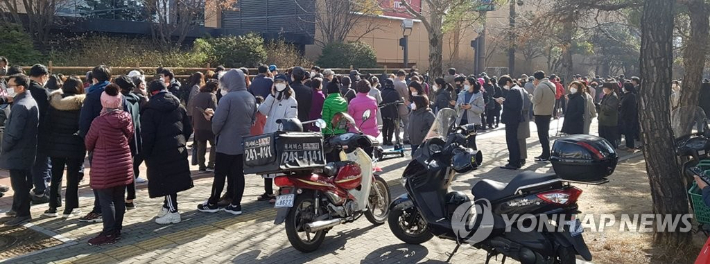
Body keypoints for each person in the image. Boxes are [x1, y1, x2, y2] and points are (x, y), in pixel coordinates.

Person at [197, 69, 255, 215]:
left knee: (220, 173)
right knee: (238, 174)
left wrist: (212, 118)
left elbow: (217, 124)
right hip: (243, 142)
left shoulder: (228, 99)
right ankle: (236, 204)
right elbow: (252, 120)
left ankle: (212, 203)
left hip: (226, 144)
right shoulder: (250, 97)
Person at [84, 84, 134, 245]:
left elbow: (88, 143)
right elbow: (130, 137)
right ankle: (117, 230)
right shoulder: (126, 118)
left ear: (104, 102)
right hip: (123, 163)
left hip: (105, 165)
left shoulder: (99, 122)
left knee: (106, 201)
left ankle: (108, 233)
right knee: (119, 198)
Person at [141, 80, 194, 224]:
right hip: (177, 149)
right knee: (171, 180)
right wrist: (180, 141)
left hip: (159, 152)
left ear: (151, 92)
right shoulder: (178, 105)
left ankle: (173, 211)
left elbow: (147, 136)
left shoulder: (149, 110)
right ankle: (167, 206)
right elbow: (188, 128)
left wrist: (145, 153)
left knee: (167, 181)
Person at [43, 77, 87, 217]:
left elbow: (47, 124)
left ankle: (53, 207)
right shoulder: (81, 103)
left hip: (56, 142)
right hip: (75, 143)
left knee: (56, 176)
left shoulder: (54, 102)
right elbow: (83, 125)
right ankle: (70, 208)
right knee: (73, 177)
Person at [1, 74, 39, 226]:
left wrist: (6, 146)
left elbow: (14, 133)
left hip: (18, 150)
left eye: (10, 86)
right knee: (22, 182)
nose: (7, 90)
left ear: (20, 88)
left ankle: (23, 213)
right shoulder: (27, 101)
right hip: (25, 150)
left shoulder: (21, 105)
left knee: (19, 184)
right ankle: (19, 210)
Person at [257, 74, 297, 202]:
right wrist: (271, 96)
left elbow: (292, 119)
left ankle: (282, 190)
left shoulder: (291, 101)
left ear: (286, 83)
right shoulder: (273, 98)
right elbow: (262, 111)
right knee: (268, 164)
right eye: (276, 82)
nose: (278, 84)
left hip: (281, 136)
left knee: (280, 166)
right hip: (268, 133)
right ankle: (268, 192)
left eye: (281, 82)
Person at [112, 76, 144, 210]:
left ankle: (120, 201)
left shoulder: (122, 101)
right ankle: (130, 199)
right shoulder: (136, 99)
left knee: (121, 171)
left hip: (124, 139)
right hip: (135, 138)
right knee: (129, 169)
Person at [28, 65, 52, 205]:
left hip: (26, 132)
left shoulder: (23, 88)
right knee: (41, 163)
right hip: (41, 132)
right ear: (43, 76)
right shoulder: (42, 91)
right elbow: (47, 114)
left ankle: (30, 189)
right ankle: (40, 191)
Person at [497, 75, 524, 170]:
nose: (504, 87)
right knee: (513, 140)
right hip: (515, 118)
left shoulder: (513, 91)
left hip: (511, 119)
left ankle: (514, 162)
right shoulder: (518, 89)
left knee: (511, 141)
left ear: (508, 82)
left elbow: (512, 105)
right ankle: (515, 160)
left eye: (504, 85)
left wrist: (502, 102)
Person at [191, 81, 218, 172]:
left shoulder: (197, 96)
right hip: (209, 124)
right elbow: (214, 109)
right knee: (214, 144)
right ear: (214, 88)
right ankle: (211, 164)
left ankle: (201, 166)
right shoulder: (211, 96)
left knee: (201, 145)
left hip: (198, 124)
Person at [531, 71, 556, 162]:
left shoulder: (540, 87)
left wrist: (530, 97)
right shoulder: (551, 85)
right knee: (545, 133)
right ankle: (546, 153)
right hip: (548, 112)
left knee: (542, 134)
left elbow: (536, 100)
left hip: (540, 112)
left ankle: (545, 154)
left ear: (536, 79)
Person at [598, 84, 620, 148]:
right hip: (603, 120)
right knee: (603, 137)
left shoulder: (613, 97)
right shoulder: (606, 95)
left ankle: (612, 150)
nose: (603, 90)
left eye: (604, 88)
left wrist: (601, 106)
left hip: (609, 121)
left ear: (608, 88)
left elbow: (610, 109)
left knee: (610, 138)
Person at [380, 79, 401, 146]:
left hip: (383, 110)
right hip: (392, 110)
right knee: (391, 126)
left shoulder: (382, 91)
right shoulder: (394, 92)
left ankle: (384, 140)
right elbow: (398, 102)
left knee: (384, 125)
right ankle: (389, 140)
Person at [619, 82, 638, 150]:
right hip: (624, 116)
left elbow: (631, 108)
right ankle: (627, 145)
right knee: (626, 132)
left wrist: (628, 117)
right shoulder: (625, 95)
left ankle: (631, 146)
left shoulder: (631, 96)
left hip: (628, 117)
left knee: (629, 132)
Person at [394, 70, 411, 144]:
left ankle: (397, 138)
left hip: (394, 106)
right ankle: (406, 138)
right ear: (402, 76)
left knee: (397, 123)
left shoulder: (392, 82)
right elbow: (406, 94)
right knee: (406, 122)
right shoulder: (403, 83)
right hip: (402, 104)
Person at [517, 86, 532, 166]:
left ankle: (522, 157)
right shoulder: (524, 92)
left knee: (521, 139)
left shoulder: (521, 93)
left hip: (522, 118)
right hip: (524, 117)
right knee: (521, 139)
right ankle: (521, 156)